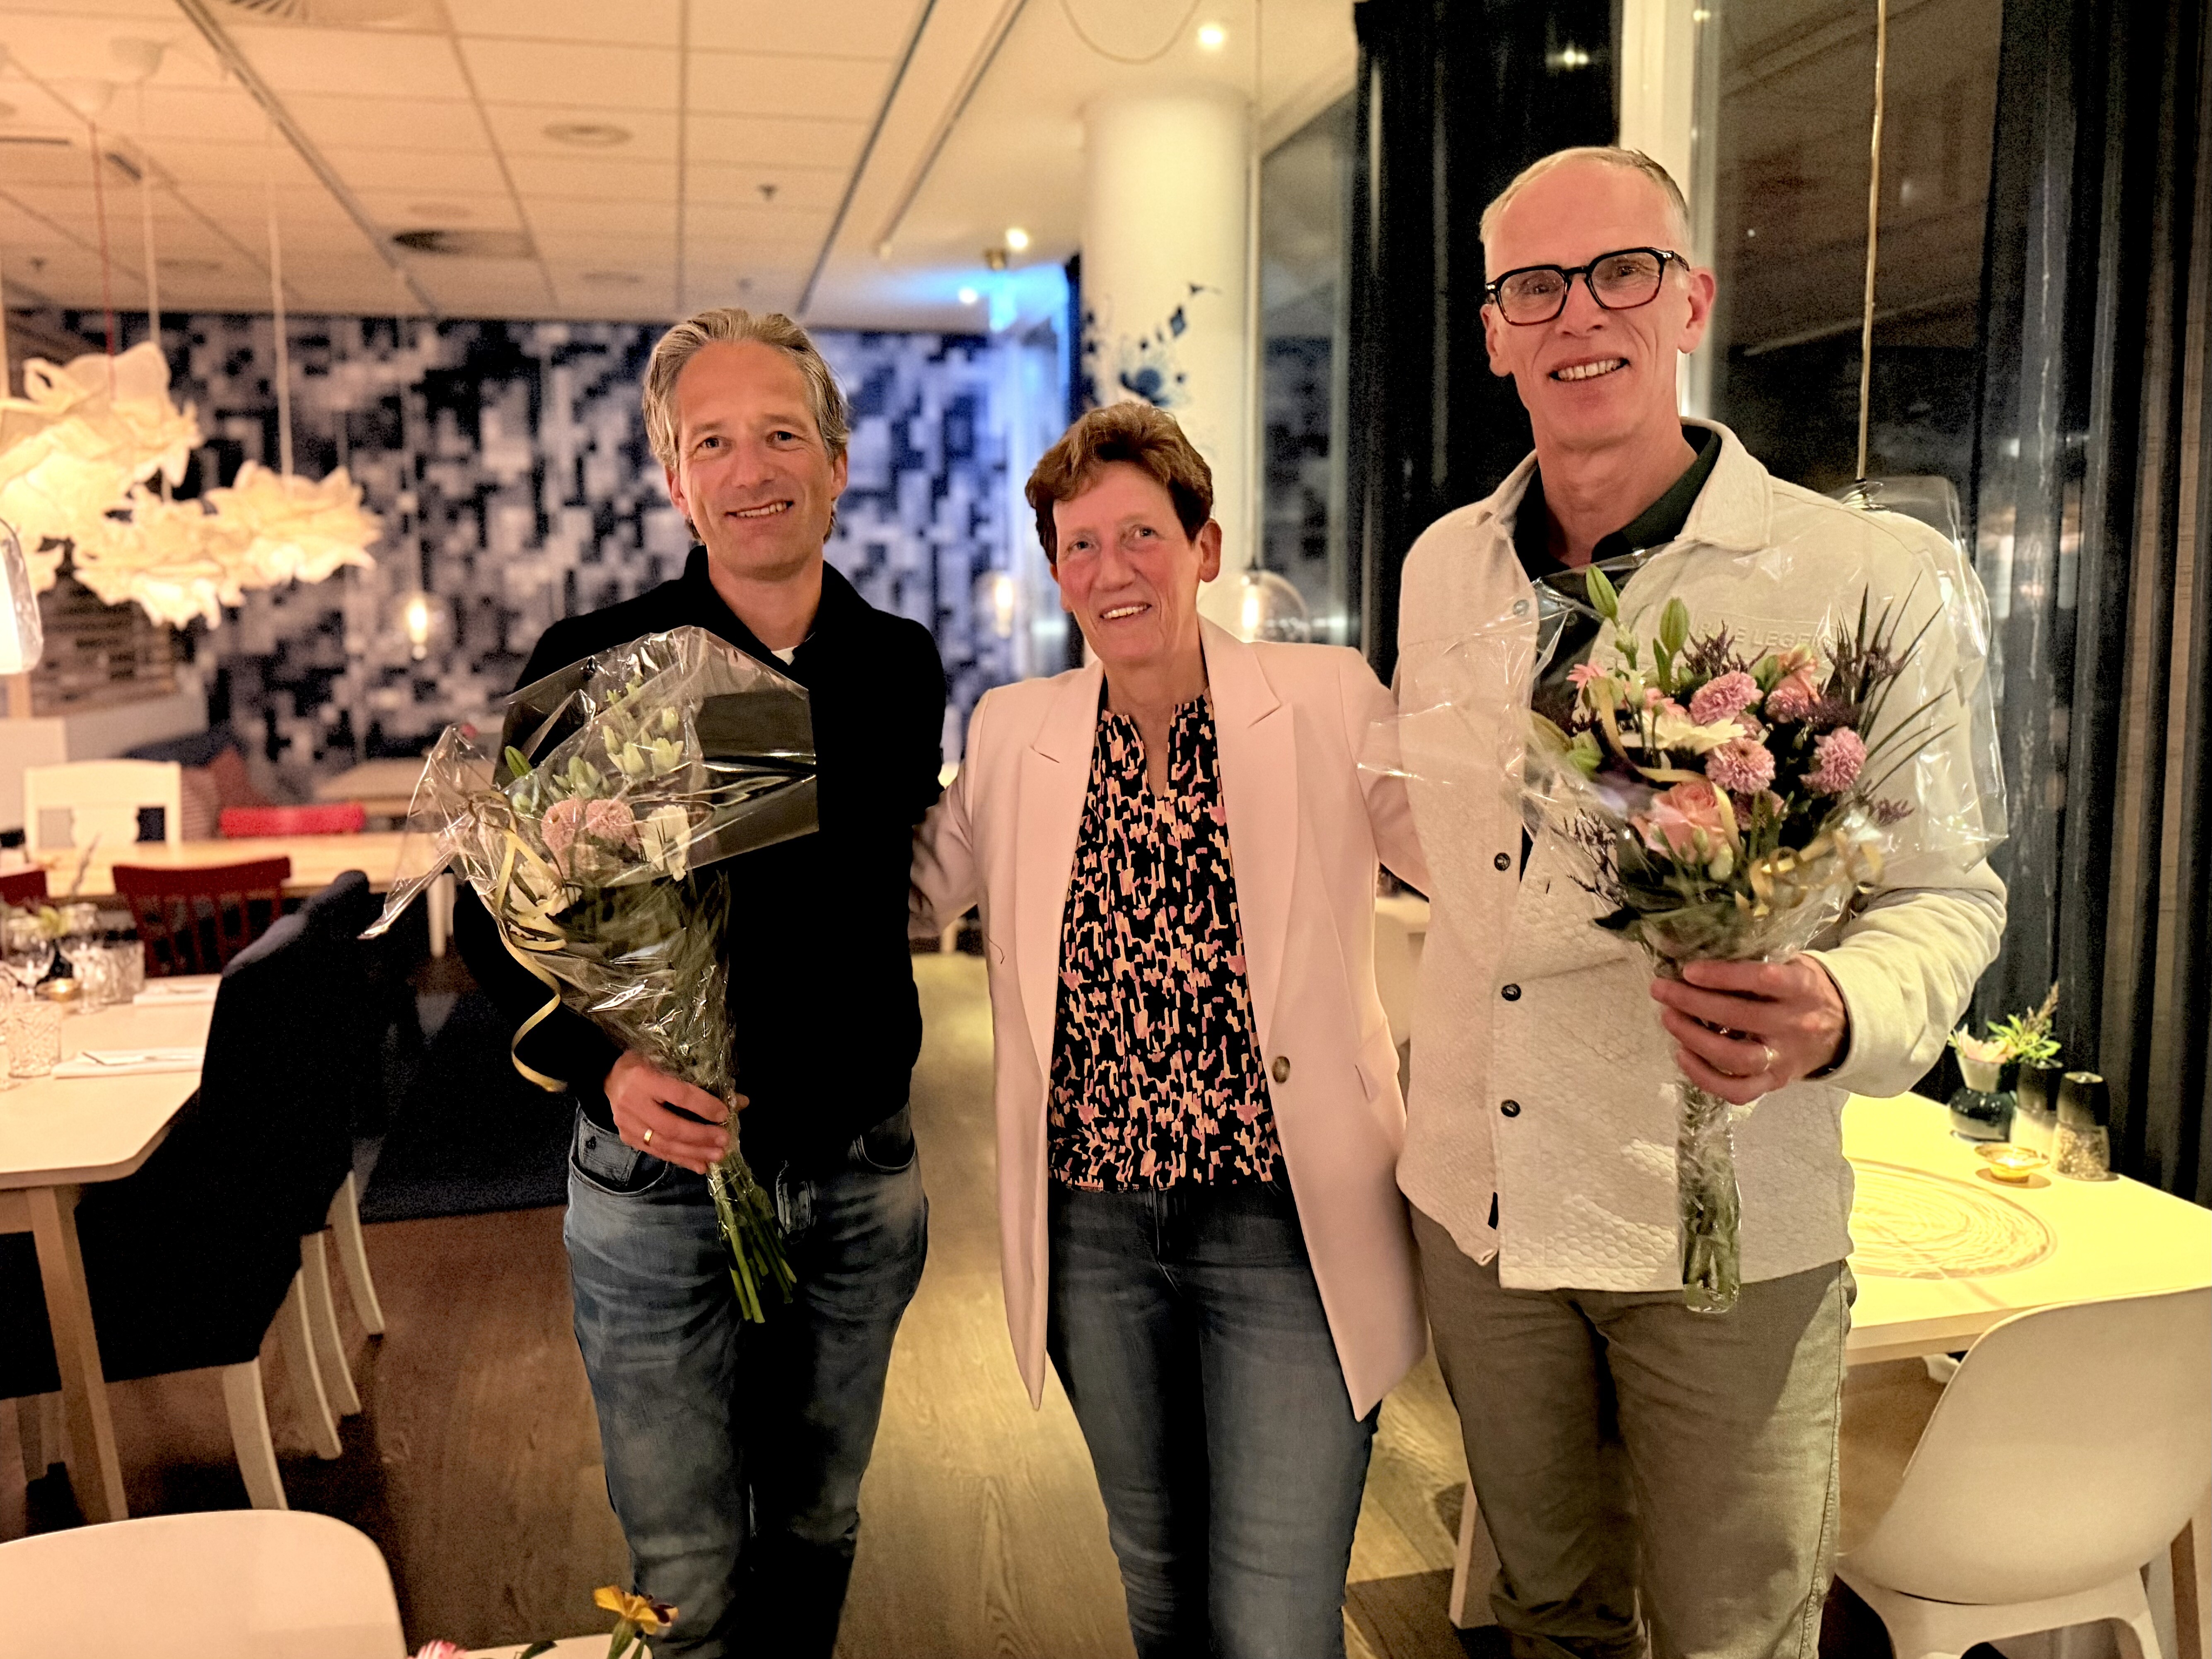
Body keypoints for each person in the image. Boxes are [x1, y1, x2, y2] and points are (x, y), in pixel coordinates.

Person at [1393, 148, 2006, 1659]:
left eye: (1621, 272)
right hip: (1480, 1208)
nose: (1577, 313)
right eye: (1533, 286)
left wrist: (1839, 1006)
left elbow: (1946, 887)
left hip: (1725, 1226)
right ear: (1492, 332)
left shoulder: (1855, 575)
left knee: (1735, 1633)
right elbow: (1448, 833)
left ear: (1690, 300)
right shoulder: (1441, 568)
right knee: (1545, 1613)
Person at [458, 308, 945, 1659]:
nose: (750, 468)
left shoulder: (898, 664)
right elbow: (492, 909)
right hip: (658, 1178)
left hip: (857, 1171)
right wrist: (603, 1065)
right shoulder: (596, 656)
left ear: (835, 463)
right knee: (683, 1563)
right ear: (676, 480)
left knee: (818, 1524)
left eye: (781, 434)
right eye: (712, 442)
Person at [911, 402, 1429, 1659]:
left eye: (1140, 534)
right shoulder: (1015, 730)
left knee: (1274, 1616)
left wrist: (1651, 829)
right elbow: (911, 896)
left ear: (1204, 547)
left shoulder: (1325, 700)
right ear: (1057, 575)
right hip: (1093, 1231)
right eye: (1080, 547)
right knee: (1158, 1585)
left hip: (1284, 1224)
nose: (1111, 570)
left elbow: (1473, 865)